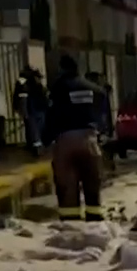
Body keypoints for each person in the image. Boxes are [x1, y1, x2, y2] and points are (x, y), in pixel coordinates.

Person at [45, 54, 107, 222]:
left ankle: (70, 226)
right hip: (91, 140)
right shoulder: (96, 90)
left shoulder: (59, 88)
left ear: (62, 68)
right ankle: (95, 223)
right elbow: (104, 116)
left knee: (67, 186)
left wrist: (46, 139)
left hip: (66, 141)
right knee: (92, 183)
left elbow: (51, 115)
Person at [13, 66, 49, 155]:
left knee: (33, 128)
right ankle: (36, 146)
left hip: (34, 109)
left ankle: (36, 146)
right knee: (35, 128)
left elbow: (22, 97)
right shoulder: (34, 84)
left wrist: (21, 110)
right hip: (37, 109)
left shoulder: (24, 82)